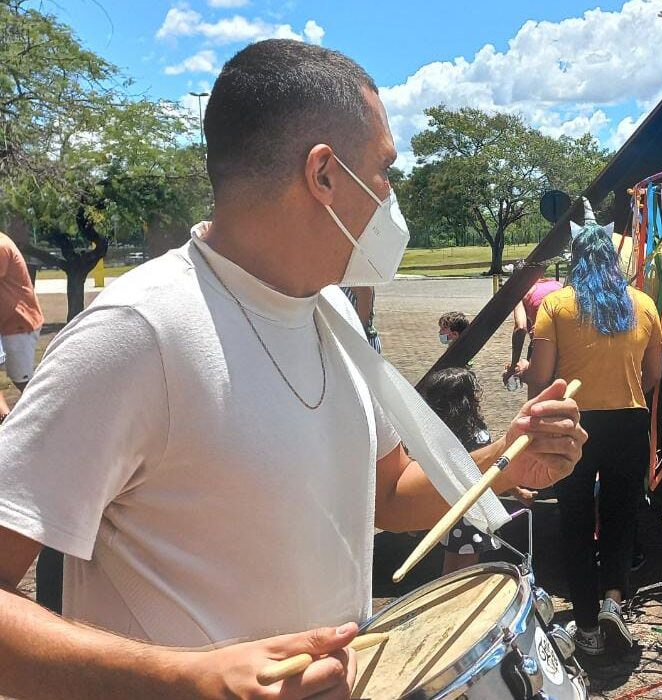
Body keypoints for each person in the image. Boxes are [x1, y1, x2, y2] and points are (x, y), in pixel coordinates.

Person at [0, 39, 586, 700]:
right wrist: (183, 678)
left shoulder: (330, 311)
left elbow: (386, 495)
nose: (392, 199)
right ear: (325, 175)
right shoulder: (136, 334)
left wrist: (507, 458)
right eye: (385, 171)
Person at [525, 202, 662, 656]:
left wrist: (528, 369)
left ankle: (585, 624)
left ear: (574, 257)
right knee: (622, 515)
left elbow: (542, 378)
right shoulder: (643, 305)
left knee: (577, 521)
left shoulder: (555, 305)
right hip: (628, 420)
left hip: (574, 422)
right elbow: (654, 377)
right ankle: (613, 601)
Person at [420, 366, 503, 574]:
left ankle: (447, 597)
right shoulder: (479, 436)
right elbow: (491, 472)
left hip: (450, 509)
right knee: (466, 569)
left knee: (450, 568)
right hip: (473, 512)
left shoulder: (439, 437)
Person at [0, 229, 43, 423]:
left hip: (19, 323)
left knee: (23, 381)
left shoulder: (1, 246)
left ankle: (44, 420)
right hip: (8, 324)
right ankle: (6, 420)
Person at [504, 273, 562, 390]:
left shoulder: (521, 291)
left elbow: (520, 328)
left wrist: (513, 366)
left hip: (544, 336)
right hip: (568, 335)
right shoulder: (557, 284)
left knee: (537, 385)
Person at [342, 286, 381, 352]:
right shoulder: (341, 280)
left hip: (361, 343)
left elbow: (362, 325)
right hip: (345, 341)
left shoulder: (363, 285)